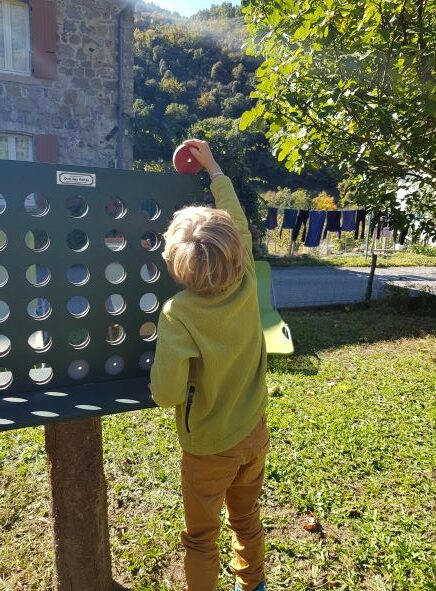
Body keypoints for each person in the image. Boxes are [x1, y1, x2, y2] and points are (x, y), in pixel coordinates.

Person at [149, 139, 269, 591]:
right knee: (247, 519)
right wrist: (214, 168)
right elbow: (237, 221)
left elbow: (166, 394)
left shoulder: (179, 312)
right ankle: (251, 584)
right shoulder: (248, 276)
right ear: (238, 250)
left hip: (207, 450)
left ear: (178, 266)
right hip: (254, 432)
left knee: (201, 538)